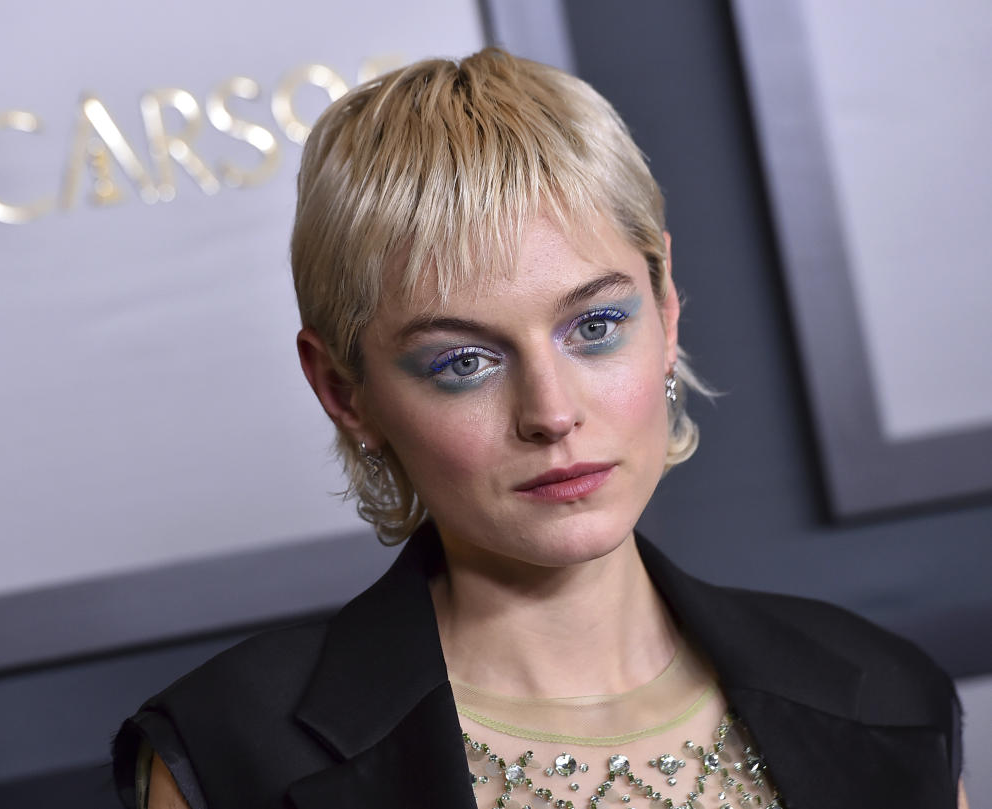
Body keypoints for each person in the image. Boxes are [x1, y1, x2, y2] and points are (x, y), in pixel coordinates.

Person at [112, 48, 967, 809]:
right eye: (463, 362)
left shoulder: (886, 695)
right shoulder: (232, 755)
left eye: (594, 327)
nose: (552, 413)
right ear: (345, 391)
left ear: (665, 312)